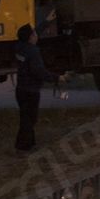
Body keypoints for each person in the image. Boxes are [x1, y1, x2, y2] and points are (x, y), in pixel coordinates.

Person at [14, 23, 65, 152]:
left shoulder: (19, 48)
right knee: (30, 119)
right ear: (31, 37)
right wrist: (57, 78)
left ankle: (29, 144)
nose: (37, 35)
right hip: (31, 90)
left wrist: (46, 22)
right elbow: (39, 71)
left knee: (26, 117)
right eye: (34, 33)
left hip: (21, 89)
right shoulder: (33, 51)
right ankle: (23, 147)